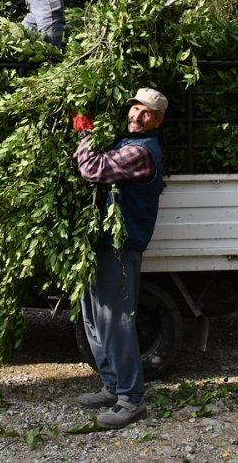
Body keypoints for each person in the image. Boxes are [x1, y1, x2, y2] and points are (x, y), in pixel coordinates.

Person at [72, 87, 167, 429]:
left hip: (121, 246)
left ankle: (131, 399)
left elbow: (92, 170)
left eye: (146, 114)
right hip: (103, 243)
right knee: (95, 319)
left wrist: (84, 135)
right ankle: (112, 386)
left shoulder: (142, 151)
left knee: (117, 323)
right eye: (135, 110)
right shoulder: (127, 142)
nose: (137, 117)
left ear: (158, 120)